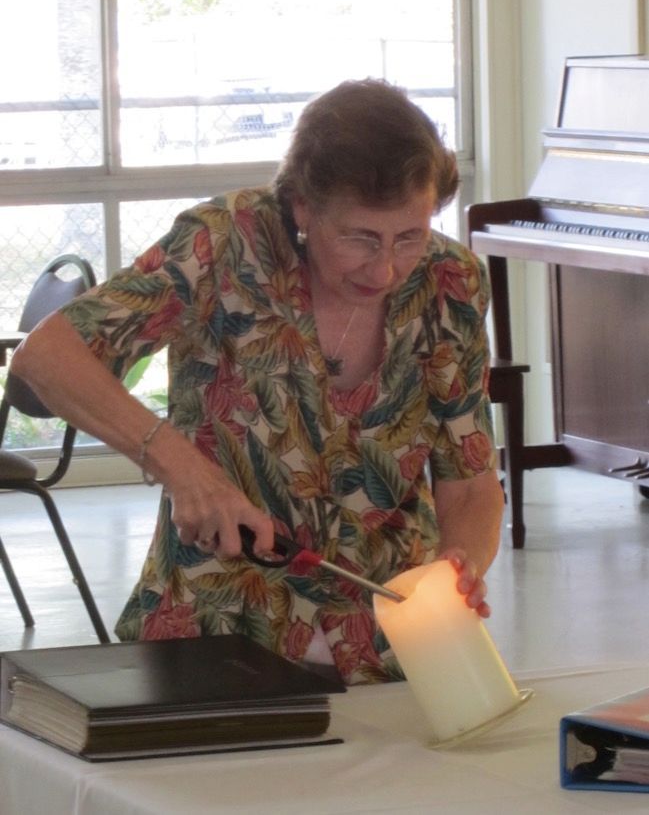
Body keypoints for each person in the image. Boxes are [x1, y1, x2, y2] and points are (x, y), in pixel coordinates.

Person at [11, 79, 504, 685]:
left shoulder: (451, 282)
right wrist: (181, 466)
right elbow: (46, 356)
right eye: (360, 238)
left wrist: (461, 565)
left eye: (409, 236)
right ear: (303, 206)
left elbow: (472, 483)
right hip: (220, 624)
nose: (385, 268)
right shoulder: (226, 243)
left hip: (389, 638)